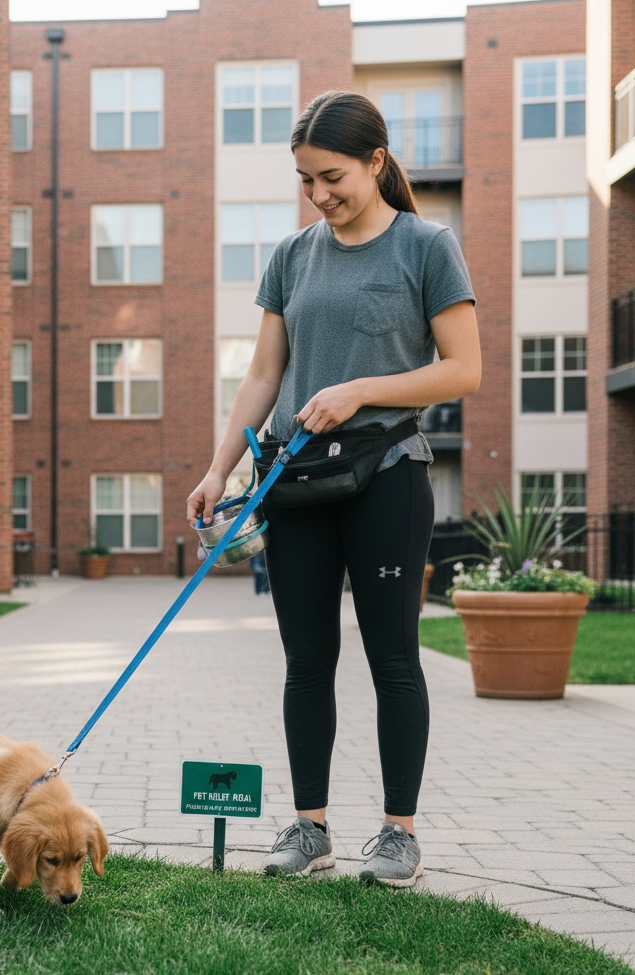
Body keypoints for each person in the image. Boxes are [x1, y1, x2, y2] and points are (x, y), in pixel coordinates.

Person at [186, 91, 481, 887]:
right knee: (306, 659)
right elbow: (262, 373)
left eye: (332, 176)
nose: (319, 194)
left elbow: (464, 368)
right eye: (306, 180)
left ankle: (398, 833)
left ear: (376, 162)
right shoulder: (292, 256)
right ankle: (309, 825)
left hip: (387, 474)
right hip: (297, 482)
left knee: (393, 658)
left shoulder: (426, 245)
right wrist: (221, 469)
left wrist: (361, 391)